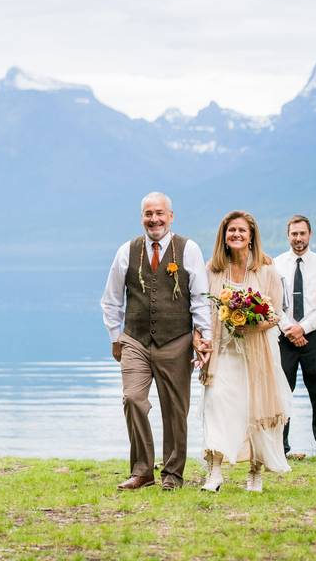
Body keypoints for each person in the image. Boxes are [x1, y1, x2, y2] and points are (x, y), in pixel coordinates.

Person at [101, 192, 212, 491]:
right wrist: (116, 337)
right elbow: (111, 300)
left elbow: (201, 299)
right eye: (149, 214)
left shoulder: (188, 249)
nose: (155, 219)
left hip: (177, 339)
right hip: (134, 339)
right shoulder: (127, 250)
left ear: (171, 216)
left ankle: (173, 474)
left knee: (175, 409)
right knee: (133, 399)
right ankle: (142, 471)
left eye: (160, 213)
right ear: (142, 218)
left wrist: (205, 337)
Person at [199, 211, 292, 492]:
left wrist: (250, 325)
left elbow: (276, 313)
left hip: (257, 354)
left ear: (251, 236)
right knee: (216, 406)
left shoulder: (266, 270)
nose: (236, 235)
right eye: (231, 231)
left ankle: (255, 472)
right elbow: (202, 312)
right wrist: (200, 340)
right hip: (223, 352)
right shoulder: (213, 270)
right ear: (223, 237)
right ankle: (214, 472)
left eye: (241, 230)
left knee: (255, 411)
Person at [275, 214, 316, 462]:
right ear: (287, 235)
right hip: (284, 337)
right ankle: (279, 446)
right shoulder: (276, 264)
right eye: (294, 234)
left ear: (309, 234)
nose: (298, 238)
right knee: (280, 392)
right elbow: (272, 302)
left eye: (302, 233)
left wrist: (302, 328)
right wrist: (290, 328)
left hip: (315, 337)